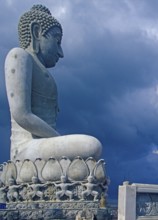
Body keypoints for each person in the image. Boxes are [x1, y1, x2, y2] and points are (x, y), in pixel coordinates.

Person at [4, 5, 102, 162]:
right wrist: (59, 140)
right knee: (91, 145)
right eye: (57, 42)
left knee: (89, 149)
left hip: (43, 145)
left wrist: (59, 143)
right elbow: (21, 114)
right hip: (25, 149)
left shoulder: (42, 72)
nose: (60, 53)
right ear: (36, 32)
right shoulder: (19, 56)